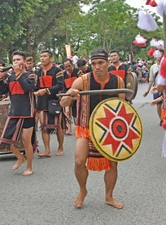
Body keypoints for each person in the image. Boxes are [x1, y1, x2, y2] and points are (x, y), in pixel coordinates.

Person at [60, 48, 125, 209]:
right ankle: (82, 191)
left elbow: (123, 109)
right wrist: (71, 94)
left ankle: (109, 196)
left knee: (112, 163)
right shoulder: (82, 81)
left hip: (109, 129)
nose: (97, 67)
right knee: (79, 161)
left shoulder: (118, 82)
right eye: (94, 63)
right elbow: (63, 104)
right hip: (86, 127)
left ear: (108, 63)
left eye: (101, 63)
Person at [0, 51, 37, 176]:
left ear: (24, 62)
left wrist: (19, 74)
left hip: (27, 112)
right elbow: (1, 91)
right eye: (14, 60)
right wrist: (0, 78)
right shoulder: (10, 77)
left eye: (18, 59)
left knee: (26, 141)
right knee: (6, 140)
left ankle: (29, 167)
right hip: (14, 111)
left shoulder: (31, 75)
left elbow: (27, 88)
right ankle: (20, 157)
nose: (15, 62)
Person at [34, 50, 64, 157]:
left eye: (45, 56)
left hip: (55, 100)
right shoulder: (38, 72)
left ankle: (60, 147)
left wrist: (46, 90)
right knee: (43, 125)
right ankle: (47, 150)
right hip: (42, 101)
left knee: (58, 125)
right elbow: (36, 86)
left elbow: (60, 85)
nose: (42, 58)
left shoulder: (57, 70)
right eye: (41, 56)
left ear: (50, 59)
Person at [62, 59, 82, 135]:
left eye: (69, 66)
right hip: (68, 95)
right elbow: (63, 86)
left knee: (77, 113)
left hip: (77, 95)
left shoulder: (78, 71)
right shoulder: (63, 74)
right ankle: (69, 129)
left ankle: (78, 128)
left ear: (72, 64)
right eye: (66, 66)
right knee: (67, 112)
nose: (68, 68)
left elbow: (83, 81)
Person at [143, 53, 162, 125]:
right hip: (156, 88)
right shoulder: (153, 67)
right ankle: (161, 119)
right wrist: (147, 90)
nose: (159, 57)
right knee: (158, 104)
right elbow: (151, 80)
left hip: (165, 88)